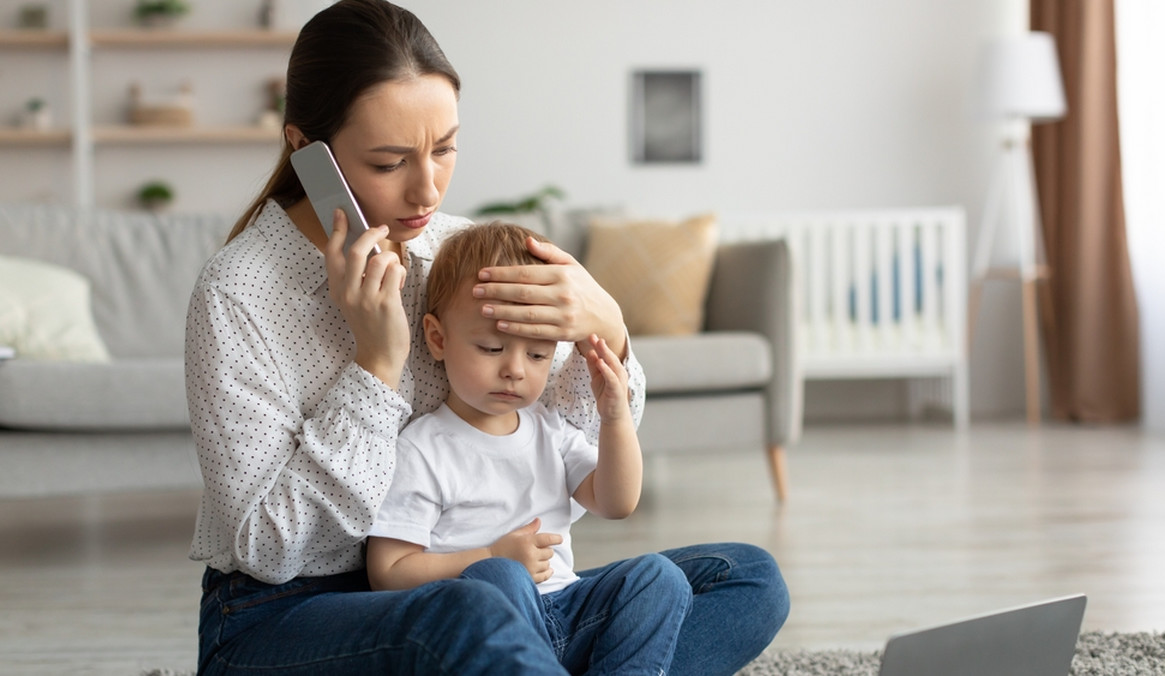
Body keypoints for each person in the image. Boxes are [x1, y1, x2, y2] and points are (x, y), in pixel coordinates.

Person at [184, 1, 789, 674]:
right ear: (306, 151)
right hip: (288, 615)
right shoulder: (237, 293)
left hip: (485, 584)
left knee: (745, 578)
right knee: (470, 609)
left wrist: (608, 331)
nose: (428, 190)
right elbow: (271, 549)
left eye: (444, 150)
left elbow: (563, 445)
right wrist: (377, 366)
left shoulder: (461, 253)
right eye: (390, 163)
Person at [366, 222, 691, 673]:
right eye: (491, 347)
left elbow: (616, 503)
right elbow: (388, 570)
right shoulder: (422, 448)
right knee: (499, 577)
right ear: (437, 339)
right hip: (489, 623)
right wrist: (490, 557)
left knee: (659, 577)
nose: (515, 370)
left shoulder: (549, 429)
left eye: (538, 355)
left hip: (568, 606)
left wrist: (615, 419)